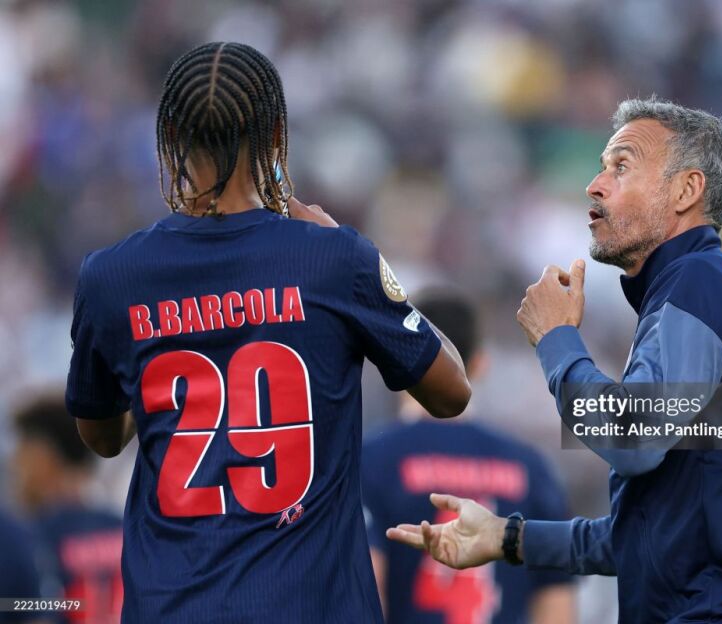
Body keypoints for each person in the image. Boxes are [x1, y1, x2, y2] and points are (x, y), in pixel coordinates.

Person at [64, 41, 470, 623]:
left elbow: (101, 437)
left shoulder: (111, 276)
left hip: (172, 608)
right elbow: (451, 391)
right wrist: (369, 266)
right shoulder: (334, 259)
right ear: (276, 132)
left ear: (170, 135)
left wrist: (158, 377)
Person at [386, 98, 722, 623]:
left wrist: (557, 339)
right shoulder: (696, 293)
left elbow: (633, 439)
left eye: (621, 166)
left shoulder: (700, 283)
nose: (595, 185)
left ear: (686, 191)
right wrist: (507, 536)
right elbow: (654, 538)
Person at [361, 289, 575, 624]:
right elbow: (556, 605)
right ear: (480, 363)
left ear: (393, 356)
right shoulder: (531, 468)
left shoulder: (370, 461)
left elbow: (366, 592)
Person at [12, 394, 123, 623]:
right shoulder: (126, 528)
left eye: (22, 454)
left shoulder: (33, 536)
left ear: (42, 458)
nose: (15, 467)